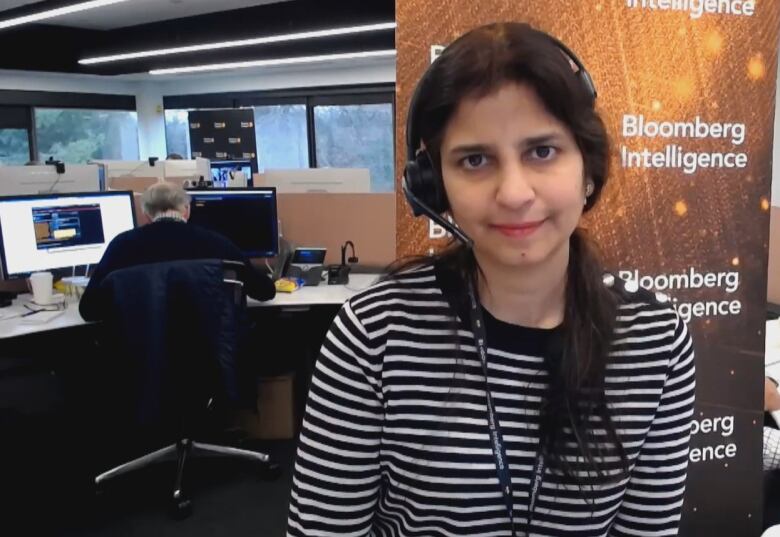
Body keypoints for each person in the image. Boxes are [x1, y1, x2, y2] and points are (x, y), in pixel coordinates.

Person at [287, 22, 695, 537]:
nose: (514, 192)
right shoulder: (376, 334)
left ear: (587, 169)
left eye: (542, 151)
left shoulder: (655, 341)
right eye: (475, 160)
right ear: (435, 188)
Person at [79, 182, 275, 320]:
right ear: (187, 210)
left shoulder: (121, 246)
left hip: (142, 361)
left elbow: (89, 310)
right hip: (209, 358)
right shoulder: (217, 243)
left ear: (146, 214)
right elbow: (265, 292)